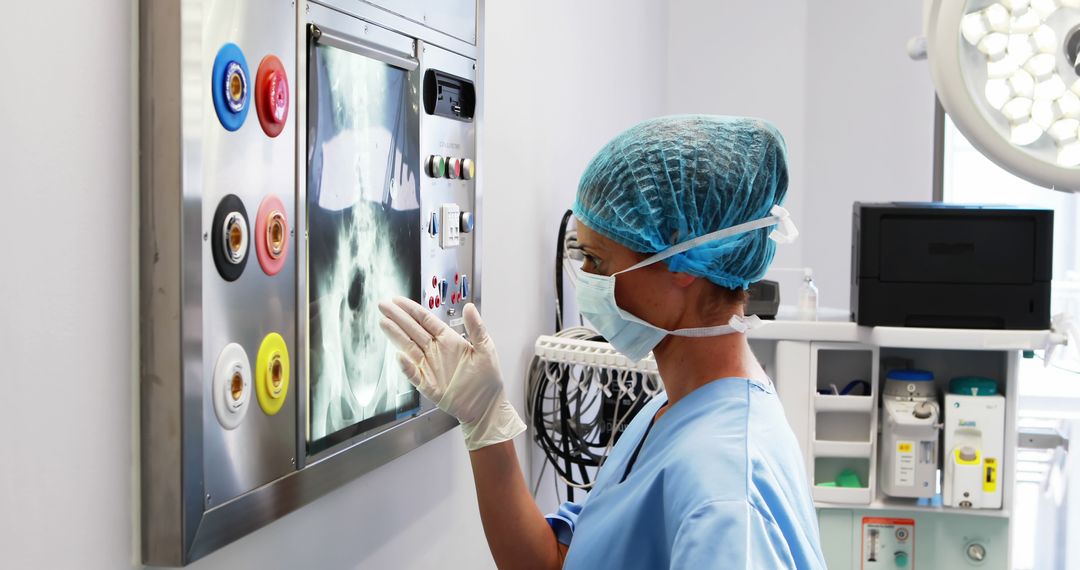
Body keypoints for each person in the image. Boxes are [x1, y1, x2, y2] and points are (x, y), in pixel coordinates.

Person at [378, 115, 826, 569]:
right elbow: (558, 562)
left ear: (685, 263)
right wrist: (485, 423)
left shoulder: (727, 494)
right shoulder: (674, 410)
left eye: (595, 260)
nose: (585, 281)